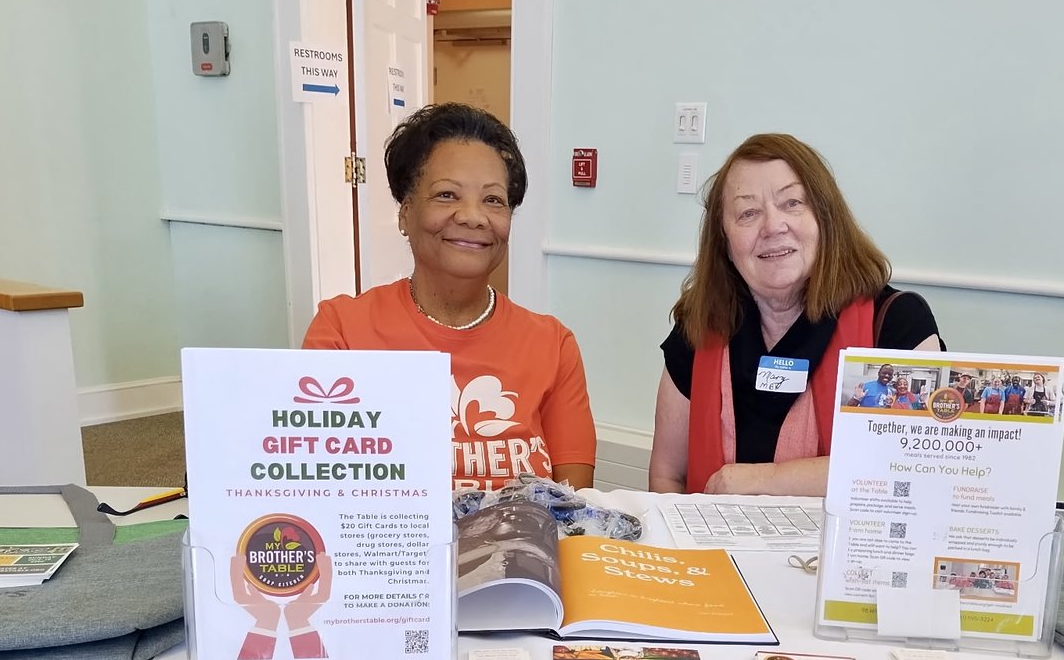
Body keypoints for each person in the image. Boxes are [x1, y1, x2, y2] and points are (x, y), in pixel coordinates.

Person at [302, 103, 596, 492]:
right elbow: (318, 487)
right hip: (390, 551)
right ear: (405, 214)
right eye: (446, 195)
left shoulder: (553, 344)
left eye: (493, 200)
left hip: (519, 549)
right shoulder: (342, 331)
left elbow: (572, 506)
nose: (473, 216)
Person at [649, 133, 942, 496]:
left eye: (791, 203)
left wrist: (763, 481)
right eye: (748, 213)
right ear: (723, 241)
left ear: (825, 219)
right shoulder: (699, 324)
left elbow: (915, 470)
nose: (773, 226)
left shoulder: (897, 324)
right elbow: (667, 478)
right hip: (709, 551)